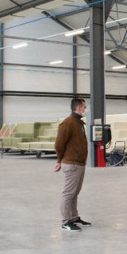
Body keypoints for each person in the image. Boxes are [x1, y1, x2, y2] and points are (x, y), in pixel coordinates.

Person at [54, 98, 92, 232]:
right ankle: (66, 221)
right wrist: (59, 160)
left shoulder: (79, 123)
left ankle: (74, 217)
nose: (86, 109)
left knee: (75, 192)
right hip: (71, 163)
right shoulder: (67, 123)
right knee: (68, 193)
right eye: (84, 107)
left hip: (80, 163)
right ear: (78, 108)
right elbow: (59, 144)